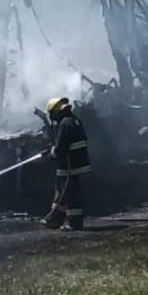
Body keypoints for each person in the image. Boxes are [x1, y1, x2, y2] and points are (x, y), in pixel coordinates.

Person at [40, 97, 90, 231]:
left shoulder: (65, 124)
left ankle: (74, 224)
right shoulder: (74, 120)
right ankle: (55, 220)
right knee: (62, 193)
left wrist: (51, 155)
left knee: (70, 195)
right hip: (75, 164)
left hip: (70, 166)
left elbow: (60, 149)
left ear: (56, 112)